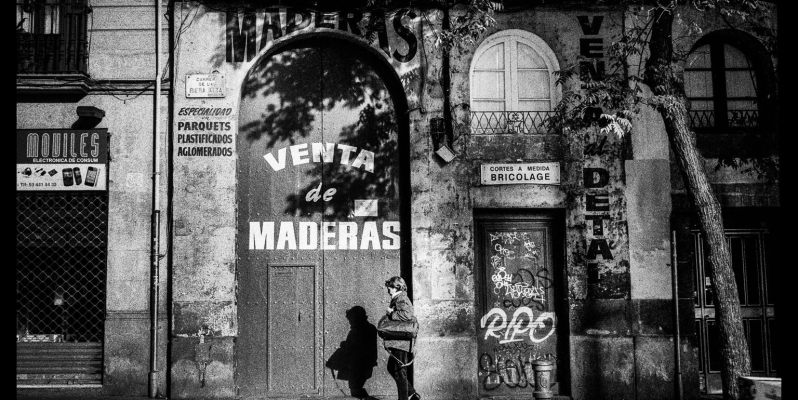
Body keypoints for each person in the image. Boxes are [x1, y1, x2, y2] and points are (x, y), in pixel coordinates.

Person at [383, 276, 421, 400]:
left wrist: (391, 313)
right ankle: (412, 395)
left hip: (401, 343)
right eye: (389, 286)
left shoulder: (401, 298)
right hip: (399, 342)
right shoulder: (398, 298)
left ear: (397, 287)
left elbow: (407, 315)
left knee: (399, 372)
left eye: (391, 287)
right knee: (393, 368)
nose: (388, 289)